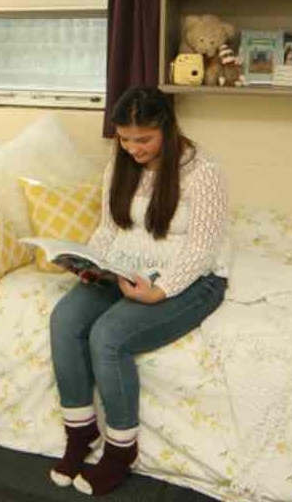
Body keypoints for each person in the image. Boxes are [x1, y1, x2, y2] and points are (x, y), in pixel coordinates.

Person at [48, 86, 231, 496]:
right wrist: (91, 264)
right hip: (127, 267)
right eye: (124, 138)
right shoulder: (122, 162)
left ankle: (120, 450)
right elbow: (111, 228)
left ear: (167, 128)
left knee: (109, 336)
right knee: (64, 320)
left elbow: (202, 249)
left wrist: (161, 291)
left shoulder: (203, 171)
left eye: (143, 139)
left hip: (193, 278)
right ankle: (80, 432)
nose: (132, 148)